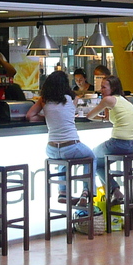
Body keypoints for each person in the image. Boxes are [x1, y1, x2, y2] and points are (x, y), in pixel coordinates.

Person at [26, 69, 95, 204]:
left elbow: (30, 116)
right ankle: (87, 192)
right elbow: (68, 113)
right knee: (91, 157)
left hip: (51, 149)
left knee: (63, 158)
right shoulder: (73, 99)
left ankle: (62, 192)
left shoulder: (44, 100)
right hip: (71, 146)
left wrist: (47, 118)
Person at [86, 75, 133, 202]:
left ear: (112, 88)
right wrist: (105, 117)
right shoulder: (125, 101)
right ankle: (115, 191)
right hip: (131, 145)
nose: (101, 90)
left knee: (90, 157)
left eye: (104, 87)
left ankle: (88, 193)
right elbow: (111, 118)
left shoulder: (108, 100)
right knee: (98, 164)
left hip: (117, 143)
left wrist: (100, 118)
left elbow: (90, 116)